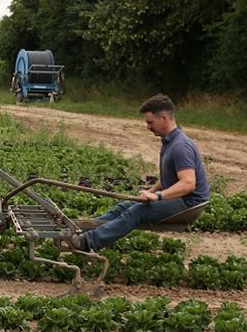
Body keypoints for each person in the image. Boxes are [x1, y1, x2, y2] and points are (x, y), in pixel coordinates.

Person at [70, 94, 210, 252]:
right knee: (125, 206)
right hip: (180, 198)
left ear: (164, 118)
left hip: (189, 204)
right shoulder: (169, 142)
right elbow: (168, 179)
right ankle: (82, 230)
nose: (148, 127)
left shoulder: (180, 146)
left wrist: (158, 196)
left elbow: (188, 184)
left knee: (137, 212)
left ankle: (86, 243)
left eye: (150, 122)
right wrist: (150, 192)